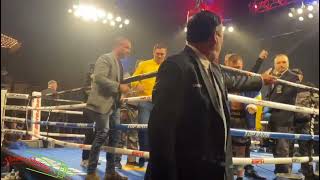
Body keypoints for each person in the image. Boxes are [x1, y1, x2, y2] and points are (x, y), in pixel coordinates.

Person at [146, 10, 276, 180]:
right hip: (190, 169)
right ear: (215, 37)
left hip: (217, 165)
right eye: (222, 36)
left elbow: (234, 82)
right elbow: (160, 130)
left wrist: (260, 80)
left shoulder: (213, 68)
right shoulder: (176, 66)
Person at [85, 37, 131, 180]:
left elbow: (121, 83)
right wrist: (118, 87)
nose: (129, 51)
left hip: (114, 106)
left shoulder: (119, 64)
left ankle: (110, 172)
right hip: (102, 104)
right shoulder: (105, 58)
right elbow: (98, 78)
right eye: (127, 47)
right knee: (102, 134)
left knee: (115, 138)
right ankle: (91, 172)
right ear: (119, 46)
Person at [225, 54, 266, 180]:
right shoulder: (222, 78)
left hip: (242, 120)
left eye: (239, 67)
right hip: (226, 119)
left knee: (241, 150)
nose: (238, 69)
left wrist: (251, 104)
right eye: (235, 67)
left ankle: (240, 177)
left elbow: (254, 93)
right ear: (227, 65)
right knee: (225, 150)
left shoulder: (246, 79)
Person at [131, 43, 167, 167]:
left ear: (165, 54)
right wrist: (136, 85)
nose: (160, 56)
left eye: (162, 54)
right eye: (158, 53)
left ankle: (155, 159)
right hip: (145, 102)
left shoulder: (169, 66)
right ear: (153, 52)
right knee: (143, 130)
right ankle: (143, 157)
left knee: (160, 131)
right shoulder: (144, 64)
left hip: (162, 103)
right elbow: (133, 78)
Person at [266, 54, 300, 177]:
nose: (281, 65)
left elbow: (286, 96)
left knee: (283, 148)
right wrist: (266, 104)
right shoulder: (273, 78)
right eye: (278, 63)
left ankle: (284, 174)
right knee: (275, 148)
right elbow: (269, 95)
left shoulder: (293, 77)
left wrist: (269, 104)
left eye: (284, 62)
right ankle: (278, 172)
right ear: (275, 65)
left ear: (288, 63)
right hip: (274, 117)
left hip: (285, 118)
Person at [292, 69, 319, 179]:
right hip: (291, 122)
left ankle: (311, 174)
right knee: (291, 149)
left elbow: (317, 101)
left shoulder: (308, 86)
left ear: (302, 76)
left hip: (308, 122)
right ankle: (287, 173)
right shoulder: (287, 87)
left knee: (310, 148)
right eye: (293, 74)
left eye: (298, 74)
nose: (296, 76)